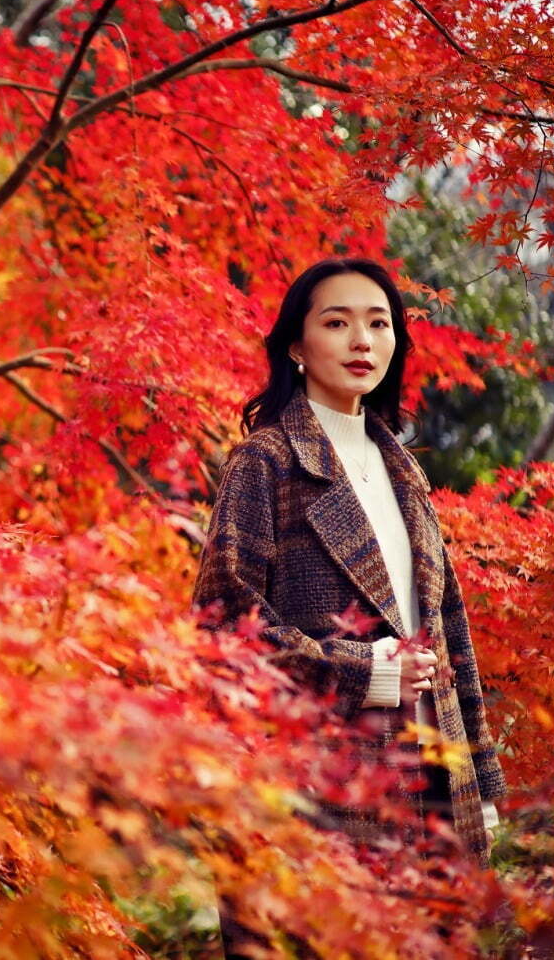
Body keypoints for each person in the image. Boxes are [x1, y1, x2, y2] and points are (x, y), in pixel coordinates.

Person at [190, 257, 508, 954]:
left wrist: (479, 779)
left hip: (433, 777)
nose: (362, 340)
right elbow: (224, 628)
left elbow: (449, 630)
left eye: (378, 323)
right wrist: (369, 671)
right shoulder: (267, 462)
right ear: (296, 347)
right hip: (316, 786)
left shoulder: (402, 466)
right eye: (337, 323)